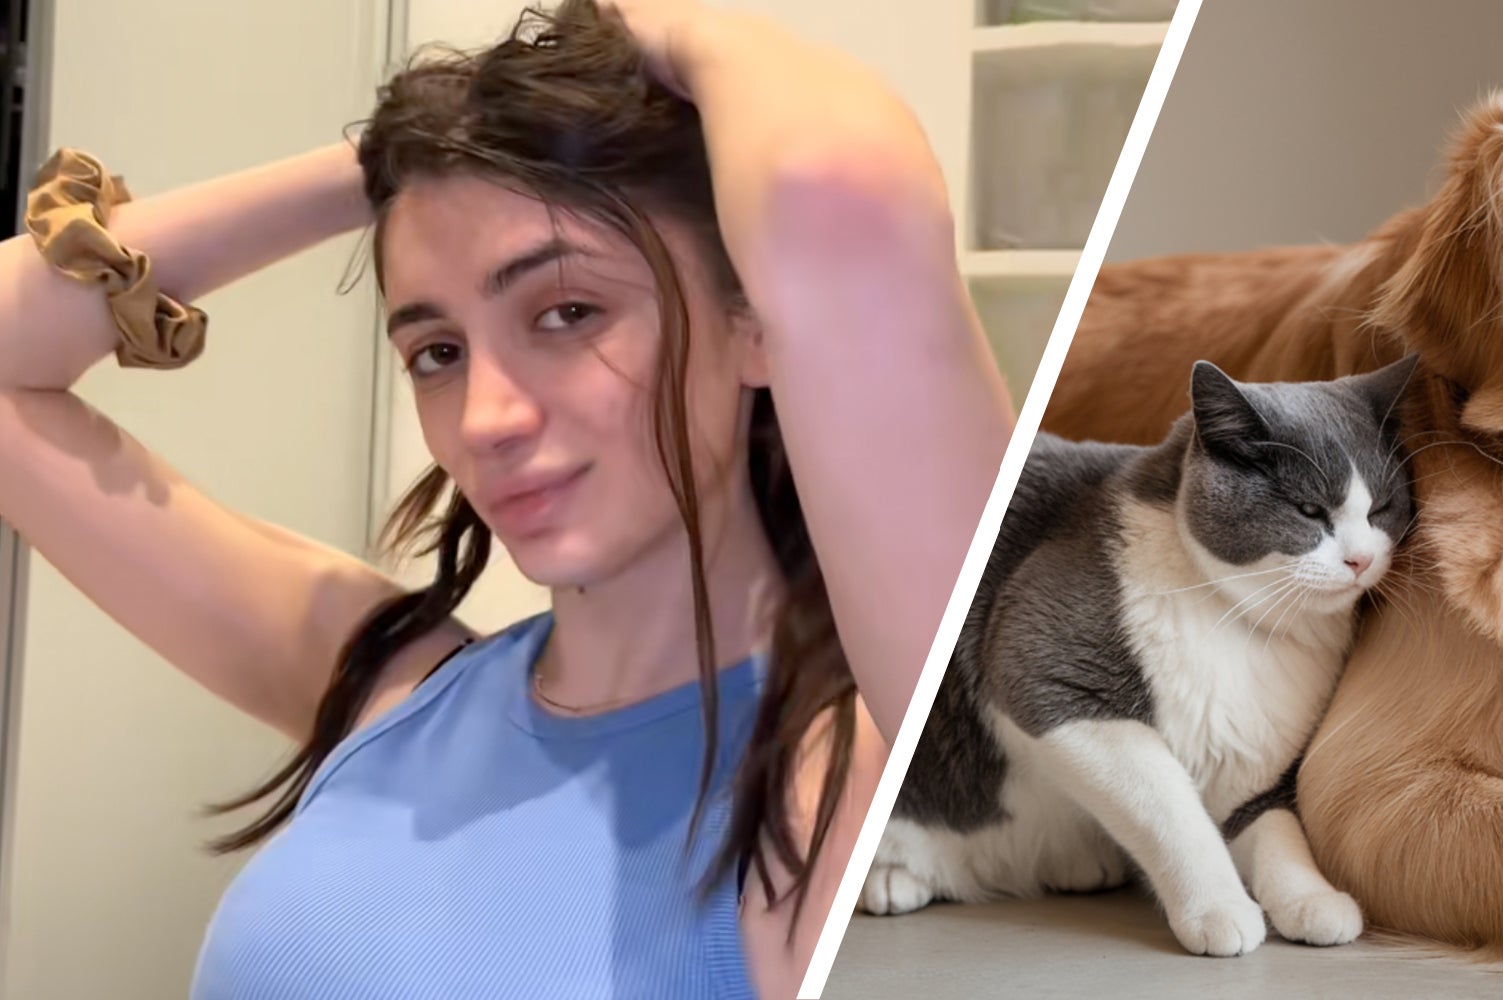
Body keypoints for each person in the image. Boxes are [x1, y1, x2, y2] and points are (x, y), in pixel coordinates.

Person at [0, 0, 1014, 996]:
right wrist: (405, 157)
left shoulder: (848, 776)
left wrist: (666, 34)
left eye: (567, 312)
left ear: (753, 322)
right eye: (437, 352)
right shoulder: (392, 688)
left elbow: (835, 185)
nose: (486, 417)